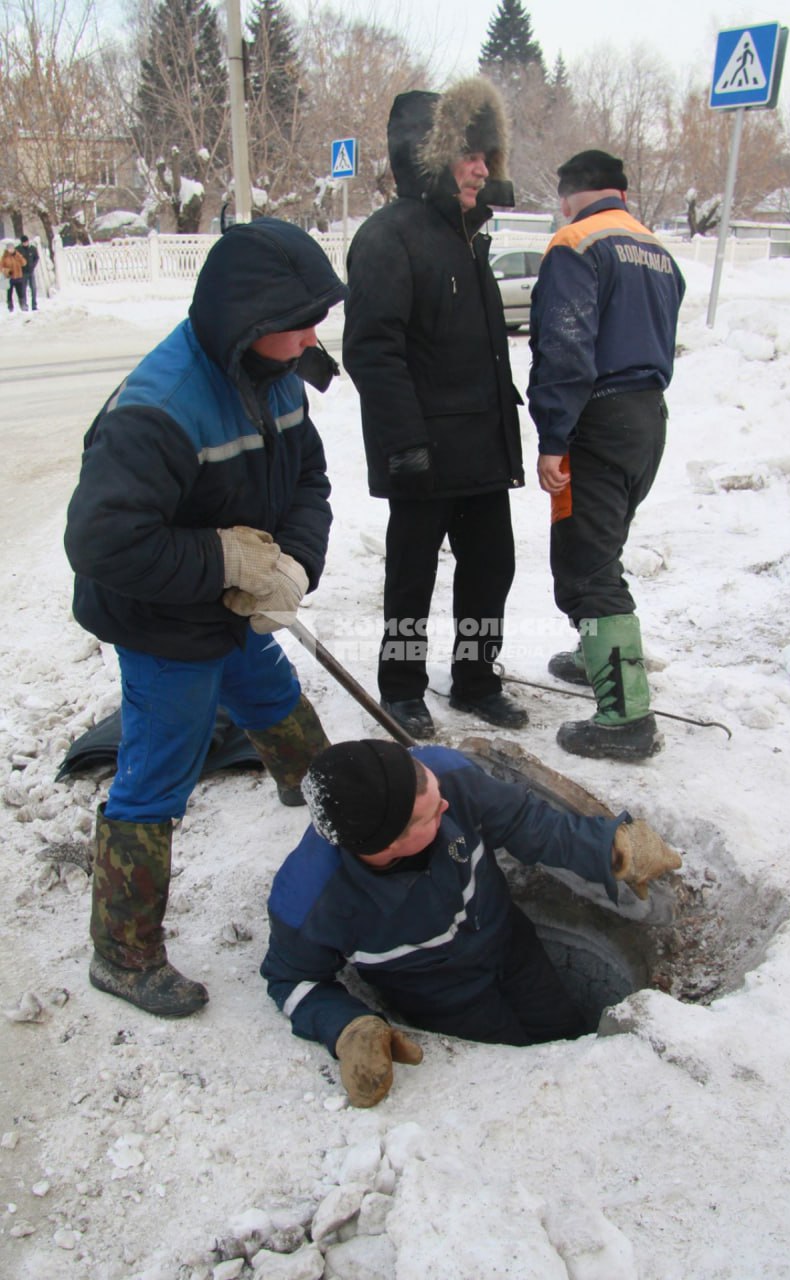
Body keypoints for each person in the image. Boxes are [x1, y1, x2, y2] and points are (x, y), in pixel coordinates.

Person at [64, 218, 347, 1018]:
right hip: (162, 624)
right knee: (156, 772)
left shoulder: (278, 372)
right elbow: (101, 541)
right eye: (298, 320)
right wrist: (223, 564)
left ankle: (320, 792)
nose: (312, 334)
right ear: (247, 320)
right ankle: (122, 953)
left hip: (234, 611)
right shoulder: (160, 408)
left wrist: (290, 565)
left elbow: (308, 485)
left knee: (268, 688)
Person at [261, 738, 681, 1107]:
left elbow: (523, 820)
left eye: (437, 794)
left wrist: (607, 849)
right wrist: (346, 1026)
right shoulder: (311, 901)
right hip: (446, 1000)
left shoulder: (445, 777)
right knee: (519, 1073)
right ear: (388, 845)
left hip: (513, 949)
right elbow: (293, 980)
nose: (446, 807)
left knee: (565, 1031)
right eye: (428, 817)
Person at [342, 78, 528, 740]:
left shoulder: (467, 235)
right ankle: (401, 686)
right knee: (410, 580)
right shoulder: (387, 237)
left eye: (486, 155)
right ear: (430, 157)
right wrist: (403, 443)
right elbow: (372, 349)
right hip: (422, 452)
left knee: (490, 570)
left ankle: (475, 678)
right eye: (468, 154)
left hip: (480, 451)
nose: (482, 167)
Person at [527, 151, 685, 762]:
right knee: (603, 546)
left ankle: (624, 717)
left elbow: (566, 346)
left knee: (587, 565)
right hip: (647, 420)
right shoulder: (656, 251)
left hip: (597, 420)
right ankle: (598, 653)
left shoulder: (576, 242)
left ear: (570, 195)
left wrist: (553, 437)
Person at [2, 242, 27, 311]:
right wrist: (7, 271)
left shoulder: (17, 255)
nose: (11, 250)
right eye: (9, 248)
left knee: (20, 292)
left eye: (12, 248)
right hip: (9, 278)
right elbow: (1, 267)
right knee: (9, 293)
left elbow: (24, 263)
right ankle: (10, 307)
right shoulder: (5, 257)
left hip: (18, 277)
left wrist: (17, 255)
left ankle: (23, 305)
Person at [17, 234, 39, 311]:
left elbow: (36, 258)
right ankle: (24, 305)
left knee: (34, 288)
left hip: (31, 271)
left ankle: (34, 305)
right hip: (23, 273)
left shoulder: (32, 249)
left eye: (26, 242)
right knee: (23, 289)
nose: (25, 243)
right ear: (22, 243)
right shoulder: (18, 250)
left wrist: (33, 265)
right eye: (24, 242)